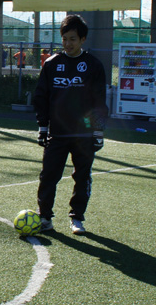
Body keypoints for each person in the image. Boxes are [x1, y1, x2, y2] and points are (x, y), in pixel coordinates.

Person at [33, 15, 108, 235]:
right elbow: (41, 97)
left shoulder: (93, 65)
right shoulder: (52, 64)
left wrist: (98, 130)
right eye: (65, 39)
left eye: (73, 39)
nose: (68, 43)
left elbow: (99, 101)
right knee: (48, 176)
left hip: (84, 135)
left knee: (82, 177)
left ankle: (77, 218)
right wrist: (43, 127)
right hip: (57, 133)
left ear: (83, 39)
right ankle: (45, 217)